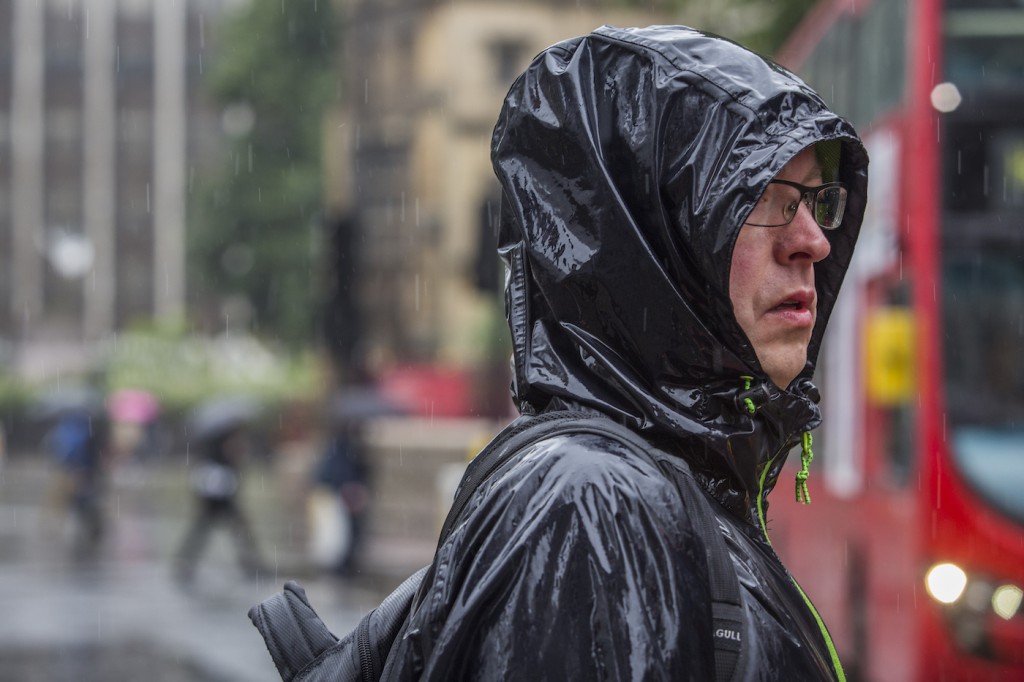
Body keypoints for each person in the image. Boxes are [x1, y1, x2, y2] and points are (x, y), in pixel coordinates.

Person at [382, 25, 868, 680]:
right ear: (649, 248)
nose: (814, 240)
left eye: (815, 200)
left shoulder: (665, 488)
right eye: (764, 197)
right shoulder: (589, 505)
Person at [175, 425, 265, 585]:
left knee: (235, 533)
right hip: (218, 499)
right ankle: (185, 564)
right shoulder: (217, 446)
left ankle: (252, 566)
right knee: (209, 533)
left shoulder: (218, 445)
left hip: (223, 499)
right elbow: (217, 472)